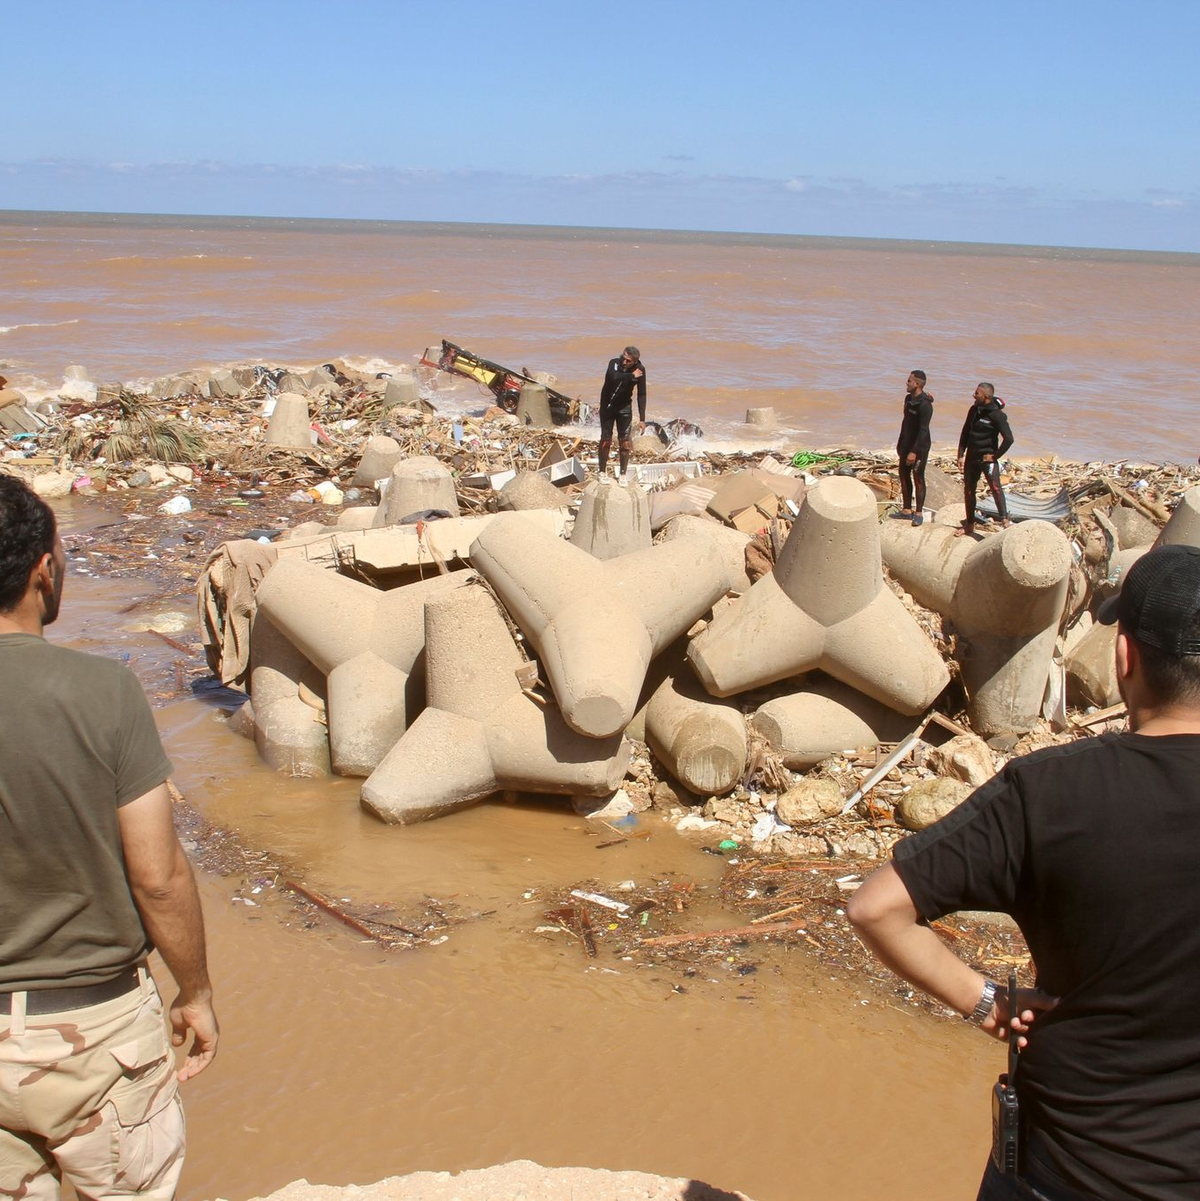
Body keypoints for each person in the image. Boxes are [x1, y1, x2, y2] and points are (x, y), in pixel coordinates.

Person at [847, 542, 1200, 1199]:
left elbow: (876, 906)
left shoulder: (1052, 791)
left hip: (1067, 1165)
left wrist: (986, 1001)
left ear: (1124, 659)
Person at [0, 475, 218, 1200]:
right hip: (95, 1032)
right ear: (43, 570)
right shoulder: (105, 691)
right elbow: (157, 874)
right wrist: (195, 989)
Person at [956, 382, 1014, 536]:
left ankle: (1005, 521)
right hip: (971, 458)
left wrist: (995, 456)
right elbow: (965, 432)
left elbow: (1009, 439)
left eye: (977, 393)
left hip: (987, 459)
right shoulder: (974, 410)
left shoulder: (997, 415)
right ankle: (969, 524)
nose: (973, 395)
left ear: (987, 397)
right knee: (969, 490)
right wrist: (961, 454)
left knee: (995, 488)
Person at [598, 346, 647, 477]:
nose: (624, 362)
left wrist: (642, 419)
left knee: (625, 442)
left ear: (635, 362)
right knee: (606, 439)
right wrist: (631, 375)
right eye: (623, 358)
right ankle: (602, 472)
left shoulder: (640, 370)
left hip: (624, 407)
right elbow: (613, 377)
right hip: (607, 406)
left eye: (628, 361)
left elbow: (641, 394)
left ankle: (623, 474)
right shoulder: (614, 363)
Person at [895, 370, 933, 526]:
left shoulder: (925, 405)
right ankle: (906, 510)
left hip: (920, 447)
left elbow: (923, 430)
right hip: (906, 443)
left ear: (917, 384)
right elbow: (906, 422)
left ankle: (918, 512)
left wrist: (914, 451)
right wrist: (900, 443)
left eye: (909, 381)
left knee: (918, 478)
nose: (907, 383)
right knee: (903, 476)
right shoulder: (908, 399)